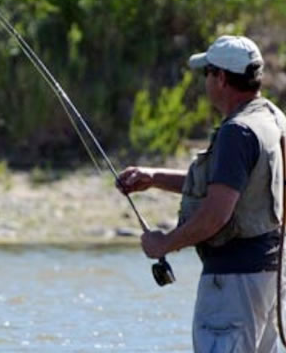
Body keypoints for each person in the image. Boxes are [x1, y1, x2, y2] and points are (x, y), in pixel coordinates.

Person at [116, 35, 286, 352]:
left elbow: (216, 214)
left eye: (207, 72)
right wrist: (154, 178)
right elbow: (234, 188)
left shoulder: (238, 132)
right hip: (268, 279)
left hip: (232, 283)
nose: (205, 80)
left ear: (220, 78)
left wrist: (164, 243)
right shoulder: (273, 119)